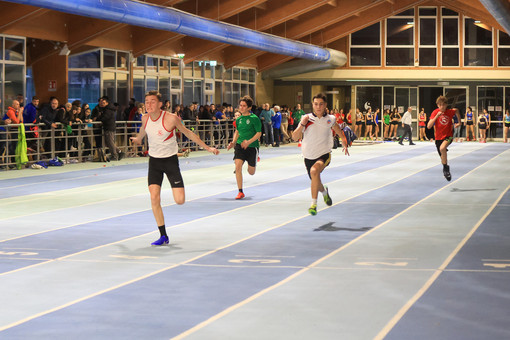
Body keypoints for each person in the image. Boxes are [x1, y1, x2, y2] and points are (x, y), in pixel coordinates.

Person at [131, 91, 219, 246]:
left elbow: (189, 133)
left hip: (170, 161)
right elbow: (143, 133)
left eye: (152, 102)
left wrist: (207, 147)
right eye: (146, 101)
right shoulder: (144, 118)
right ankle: (163, 235)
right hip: (154, 163)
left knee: (179, 200)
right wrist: (138, 139)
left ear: (160, 104)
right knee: (154, 198)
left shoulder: (171, 118)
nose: (148, 105)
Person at [292, 93, 349, 216]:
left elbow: (339, 132)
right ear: (312, 105)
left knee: (314, 171)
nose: (318, 107)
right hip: (308, 155)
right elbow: (295, 137)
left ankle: (313, 205)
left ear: (325, 105)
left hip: (324, 154)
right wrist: (302, 123)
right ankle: (324, 193)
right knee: (315, 179)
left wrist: (344, 143)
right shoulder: (306, 118)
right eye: (316, 104)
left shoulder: (331, 119)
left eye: (321, 104)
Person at [227, 95, 262, 200]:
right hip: (240, 146)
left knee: (251, 172)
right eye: (240, 105)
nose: (241, 108)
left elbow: (259, 133)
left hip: (252, 147)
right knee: (237, 167)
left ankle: (255, 159)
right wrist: (233, 142)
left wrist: (249, 142)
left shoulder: (254, 119)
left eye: (244, 106)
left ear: (249, 108)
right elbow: (237, 131)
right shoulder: (239, 119)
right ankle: (240, 191)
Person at [427, 95, 460, 181]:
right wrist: (436, 116)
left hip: (448, 136)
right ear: (437, 105)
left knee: (442, 148)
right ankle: (445, 166)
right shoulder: (435, 112)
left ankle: (445, 170)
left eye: (444, 105)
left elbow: (456, 110)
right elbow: (429, 126)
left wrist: (459, 122)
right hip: (438, 138)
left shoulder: (450, 112)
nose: (442, 107)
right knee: (442, 158)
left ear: (446, 105)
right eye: (440, 105)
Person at [97, 96, 123, 161]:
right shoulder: (108, 109)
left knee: (110, 142)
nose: (102, 104)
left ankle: (114, 155)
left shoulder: (108, 109)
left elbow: (105, 118)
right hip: (109, 127)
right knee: (109, 142)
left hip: (109, 127)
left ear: (107, 103)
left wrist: (98, 119)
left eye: (103, 103)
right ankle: (119, 152)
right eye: (101, 102)